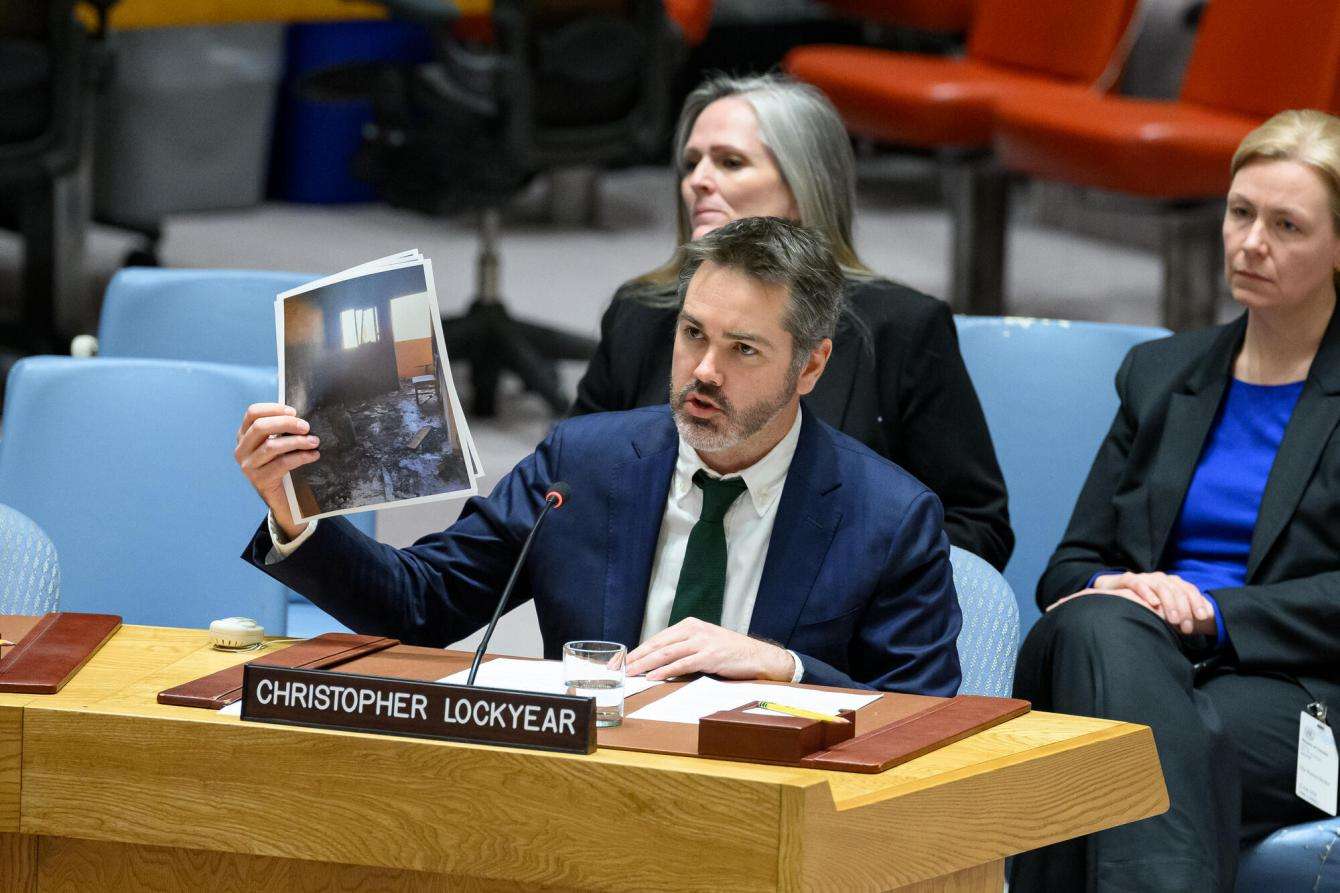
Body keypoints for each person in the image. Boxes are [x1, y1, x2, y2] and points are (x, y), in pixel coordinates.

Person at [237, 217, 962, 695]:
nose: (704, 371)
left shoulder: (888, 517)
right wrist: (296, 517)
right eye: (692, 335)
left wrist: (790, 670)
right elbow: (420, 606)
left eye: (743, 349)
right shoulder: (583, 464)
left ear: (811, 366)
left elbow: (926, 717)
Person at [1012, 109, 1340, 892]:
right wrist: (1125, 590)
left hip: (1300, 698)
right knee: (1100, 622)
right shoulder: (1160, 375)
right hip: (1120, 650)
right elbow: (1069, 567)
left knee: (1100, 751)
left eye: (1287, 225)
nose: (1250, 242)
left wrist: (1213, 612)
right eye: (1240, 212)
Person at [571, 73, 1014, 571]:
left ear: (804, 187)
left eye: (730, 162)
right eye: (691, 163)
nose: (697, 180)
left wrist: (854, 580)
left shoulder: (902, 328)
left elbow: (977, 524)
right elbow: (569, 483)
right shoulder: (640, 312)